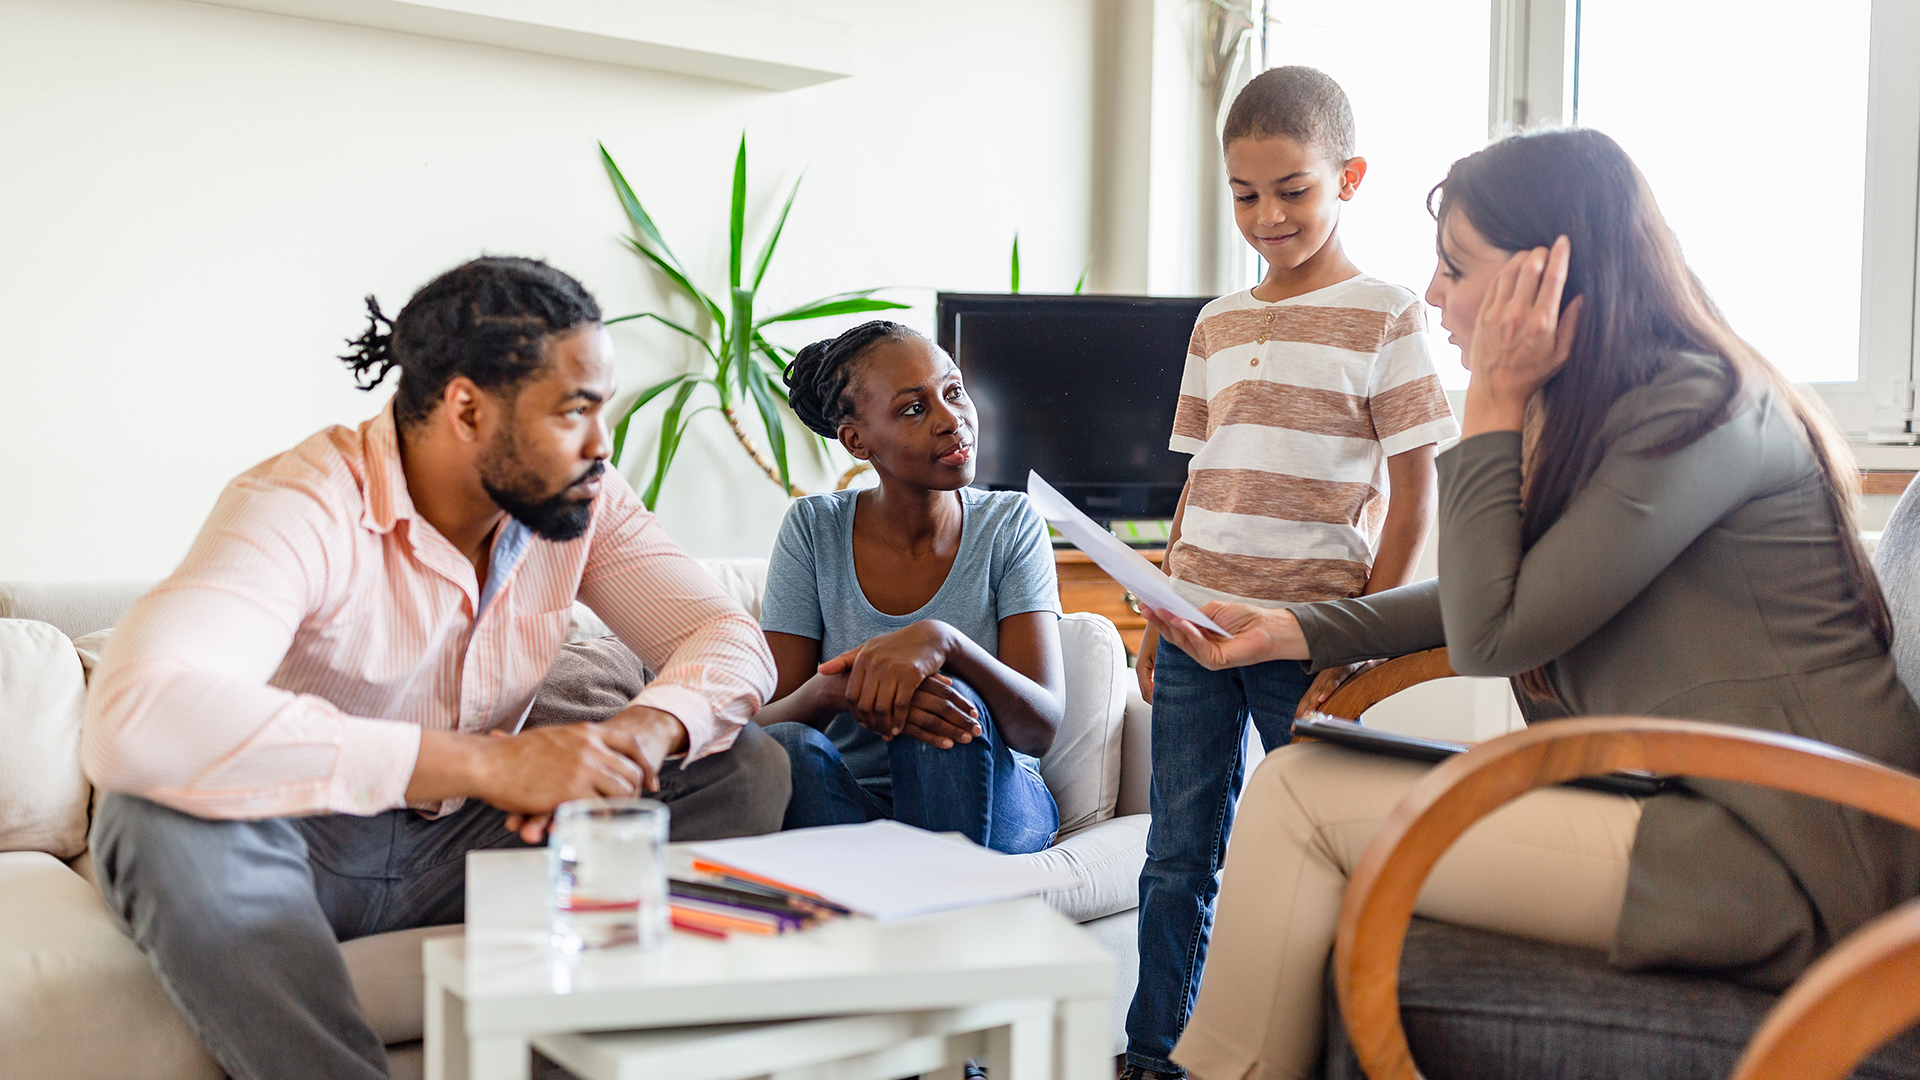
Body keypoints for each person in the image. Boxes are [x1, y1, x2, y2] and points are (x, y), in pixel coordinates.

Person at [1143, 127, 1920, 1080]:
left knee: (1299, 800)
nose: (1433, 294)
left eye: (1456, 267)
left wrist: (1494, 400)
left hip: (1797, 854)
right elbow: (1500, 593)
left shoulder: (1703, 409)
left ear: (1549, 275)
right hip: (1697, 808)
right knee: (1302, 792)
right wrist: (1293, 627)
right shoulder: (1635, 405)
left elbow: (1490, 629)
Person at [81, 257, 788, 1080]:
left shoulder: (583, 497)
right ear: (466, 408)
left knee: (741, 766)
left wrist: (640, 734)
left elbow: (723, 633)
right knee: (149, 819)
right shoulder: (303, 503)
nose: (602, 445)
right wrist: (492, 762)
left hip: (475, 844)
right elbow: (135, 713)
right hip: (298, 838)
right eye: (574, 412)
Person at [1124, 66, 1459, 1080]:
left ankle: (1331, 1050)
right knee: (1176, 854)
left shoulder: (1388, 313)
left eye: (1293, 191)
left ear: (1347, 177)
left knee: (1328, 850)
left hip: (1308, 637)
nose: (1267, 216)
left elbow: (1413, 491)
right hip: (1194, 632)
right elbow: (1198, 480)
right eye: (1245, 194)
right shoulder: (1217, 323)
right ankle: (1152, 1053)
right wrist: (1156, 610)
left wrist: (1367, 630)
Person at [754, 321, 1065, 855]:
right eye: (914, 409)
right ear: (858, 440)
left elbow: (1041, 729)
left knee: (945, 702)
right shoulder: (813, 529)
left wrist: (946, 644)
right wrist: (834, 691)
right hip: (856, 807)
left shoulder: (1011, 523)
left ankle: (929, 909)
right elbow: (764, 722)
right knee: (786, 747)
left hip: (998, 800)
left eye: (954, 392)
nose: (953, 421)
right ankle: (890, 903)